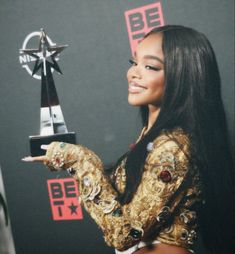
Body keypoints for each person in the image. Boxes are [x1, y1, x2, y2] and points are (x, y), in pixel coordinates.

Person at [22, 25, 234, 254]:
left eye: (150, 66)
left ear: (183, 76)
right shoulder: (155, 139)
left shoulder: (173, 148)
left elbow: (125, 234)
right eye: (134, 62)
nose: (134, 73)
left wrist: (78, 159)